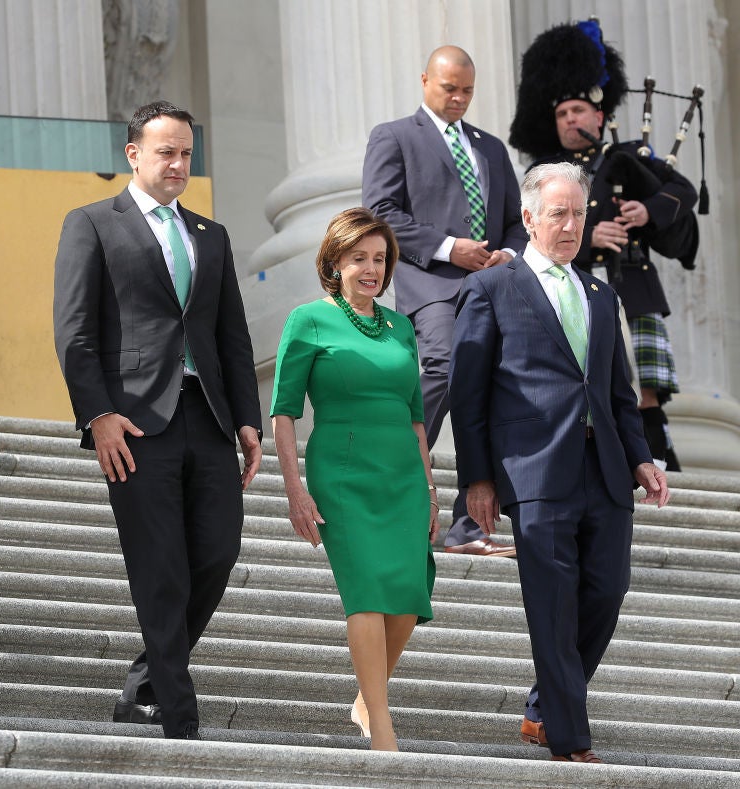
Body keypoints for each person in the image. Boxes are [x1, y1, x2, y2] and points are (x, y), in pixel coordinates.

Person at [53, 100, 263, 741]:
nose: (177, 164)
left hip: (208, 418)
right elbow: (75, 333)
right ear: (133, 154)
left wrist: (248, 420)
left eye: (186, 154)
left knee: (218, 552)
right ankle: (177, 712)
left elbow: (232, 334)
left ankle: (146, 681)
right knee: (159, 566)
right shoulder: (91, 223)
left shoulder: (212, 235)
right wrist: (97, 415)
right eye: (165, 151)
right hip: (136, 422)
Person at [449, 162, 670, 763]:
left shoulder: (600, 293)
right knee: (552, 601)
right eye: (558, 214)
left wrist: (641, 457)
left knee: (608, 588)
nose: (571, 226)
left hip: (603, 471)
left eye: (579, 214)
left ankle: (546, 706)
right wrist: (477, 478)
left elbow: (617, 391)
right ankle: (569, 737)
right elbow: (467, 395)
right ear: (527, 217)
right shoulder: (493, 287)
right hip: (532, 470)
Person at [270, 208, 437, 751]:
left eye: (380, 259)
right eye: (359, 258)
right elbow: (285, 412)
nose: (371, 269)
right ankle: (382, 731)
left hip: (403, 474)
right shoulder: (308, 320)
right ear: (334, 262)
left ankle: (369, 697)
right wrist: (295, 488)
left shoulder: (402, 326)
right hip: (342, 470)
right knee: (366, 595)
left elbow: (416, 416)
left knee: (408, 599)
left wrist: (431, 489)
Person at [509, 19, 700, 471]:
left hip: (631, 282)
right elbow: (529, 230)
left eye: (577, 110)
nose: (570, 119)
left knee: (644, 383)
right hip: (577, 283)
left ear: (599, 114)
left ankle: (663, 459)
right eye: (561, 114)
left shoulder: (628, 156)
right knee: (590, 375)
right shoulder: (544, 173)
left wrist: (647, 210)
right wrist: (589, 236)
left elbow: (684, 192)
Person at [363, 45, 527, 558]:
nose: (458, 98)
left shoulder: (492, 148)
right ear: (424, 81)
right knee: (439, 367)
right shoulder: (393, 136)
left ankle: (468, 525)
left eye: (467, 91)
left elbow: (517, 225)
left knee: (497, 394)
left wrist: (508, 255)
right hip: (432, 285)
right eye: (448, 88)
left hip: (492, 287)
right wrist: (448, 248)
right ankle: (387, 487)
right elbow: (380, 210)